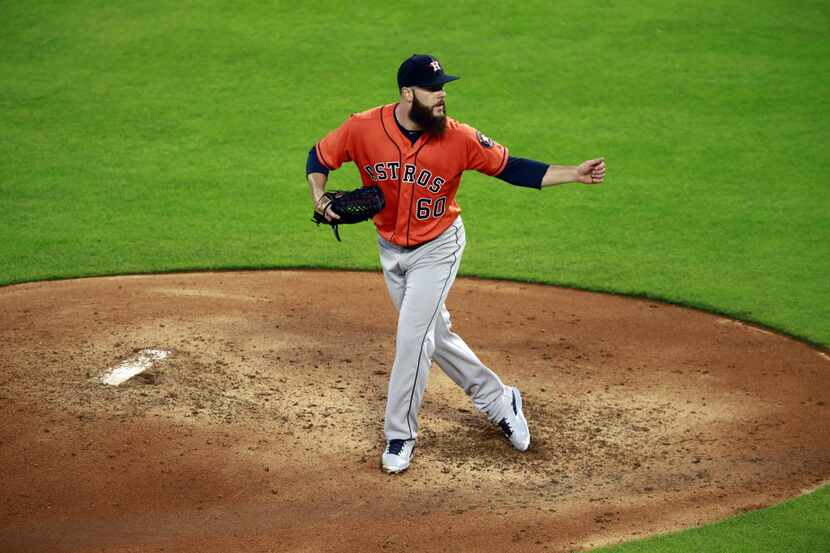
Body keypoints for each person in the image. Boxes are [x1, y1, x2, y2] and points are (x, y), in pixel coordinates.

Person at [306, 54, 606, 474]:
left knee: (413, 338)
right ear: (408, 93)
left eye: (444, 86)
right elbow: (318, 158)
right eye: (433, 89)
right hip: (390, 248)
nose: (442, 94)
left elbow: (511, 167)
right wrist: (318, 198)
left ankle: (400, 436)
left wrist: (572, 172)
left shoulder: (459, 138)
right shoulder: (362, 128)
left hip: (439, 248)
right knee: (435, 334)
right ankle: (500, 399)